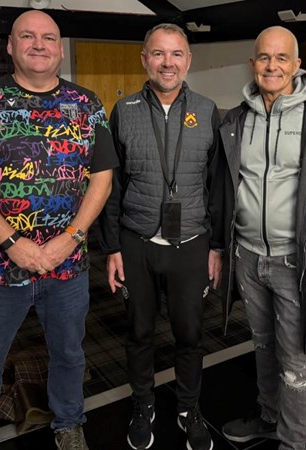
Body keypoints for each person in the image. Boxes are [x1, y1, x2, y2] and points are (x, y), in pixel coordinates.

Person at [0, 10, 117, 450]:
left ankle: (69, 423)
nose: (39, 44)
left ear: (59, 49)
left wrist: (72, 238)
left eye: (48, 37)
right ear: (10, 45)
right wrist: (12, 243)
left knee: (69, 354)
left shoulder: (87, 104)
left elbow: (102, 179)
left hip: (68, 265)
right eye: (27, 36)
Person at [218, 26, 306, 450]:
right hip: (247, 256)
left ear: (297, 65)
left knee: (296, 359)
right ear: (253, 64)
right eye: (264, 57)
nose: (272, 66)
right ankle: (269, 417)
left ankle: (295, 441)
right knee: (263, 346)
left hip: (294, 261)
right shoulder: (235, 120)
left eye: (281, 58)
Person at [98, 23, 225, 450]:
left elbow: (217, 186)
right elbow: (111, 185)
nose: (167, 63)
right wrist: (112, 248)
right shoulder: (124, 111)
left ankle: (189, 407)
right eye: (158, 53)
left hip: (191, 244)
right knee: (139, 333)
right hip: (137, 243)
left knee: (190, 334)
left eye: (176, 54)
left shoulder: (207, 110)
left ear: (188, 60)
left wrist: (217, 247)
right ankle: (143, 404)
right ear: (144, 60)